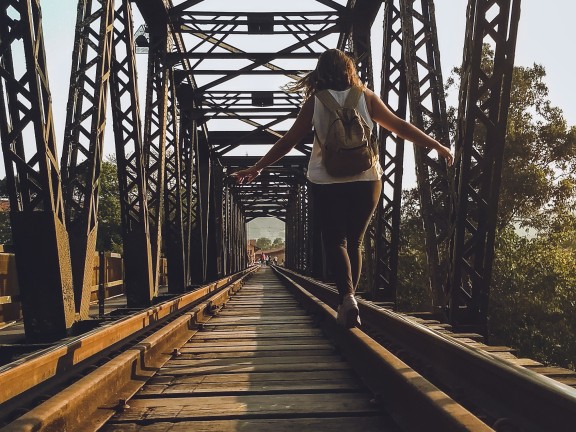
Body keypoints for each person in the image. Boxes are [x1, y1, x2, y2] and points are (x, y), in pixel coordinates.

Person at [232, 49, 453, 328]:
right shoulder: (365, 96)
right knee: (356, 241)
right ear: (350, 69)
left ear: (319, 72)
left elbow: (288, 141)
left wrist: (257, 167)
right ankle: (351, 299)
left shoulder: (315, 102)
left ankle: (347, 298)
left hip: (326, 180)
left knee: (336, 241)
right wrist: (436, 144)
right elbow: (399, 126)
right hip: (367, 178)